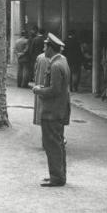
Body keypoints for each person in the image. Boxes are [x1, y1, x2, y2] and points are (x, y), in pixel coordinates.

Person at [32, 33, 71, 187]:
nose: (43, 48)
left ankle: (56, 177)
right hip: (60, 109)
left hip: (52, 111)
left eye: (45, 46)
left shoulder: (55, 66)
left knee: (52, 145)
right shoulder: (63, 61)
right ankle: (60, 174)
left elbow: (54, 90)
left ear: (50, 49)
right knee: (59, 143)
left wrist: (38, 90)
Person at [33, 52, 50, 126]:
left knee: (39, 101)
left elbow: (35, 69)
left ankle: (38, 119)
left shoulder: (40, 57)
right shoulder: (55, 59)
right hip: (47, 83)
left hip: (39, 81)